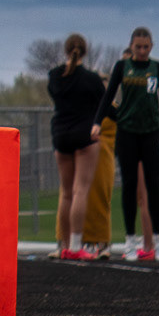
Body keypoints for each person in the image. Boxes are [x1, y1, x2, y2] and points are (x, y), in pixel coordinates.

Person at [93, 27, 159, 261]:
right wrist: (97, 123)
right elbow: (108, 95)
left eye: (146, 47)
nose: (141, 51)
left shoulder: (157, 68)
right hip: (127, 132)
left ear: (151, 47)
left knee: (153, 186)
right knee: (129, 186)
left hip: (150, 133)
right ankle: (130, 240)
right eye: (137, 47)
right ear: (131, 47)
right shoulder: (122, 67)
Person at [48, 34, 105, 260]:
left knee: (66, 192)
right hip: (84, 135)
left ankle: (62, 244)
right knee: (80, 190)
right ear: (85, 51)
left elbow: (56, 94)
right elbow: (106, 103)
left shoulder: (54, 76)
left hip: (60, 134)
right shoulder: (91, 79)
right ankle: (75, 245)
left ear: (66, 50)